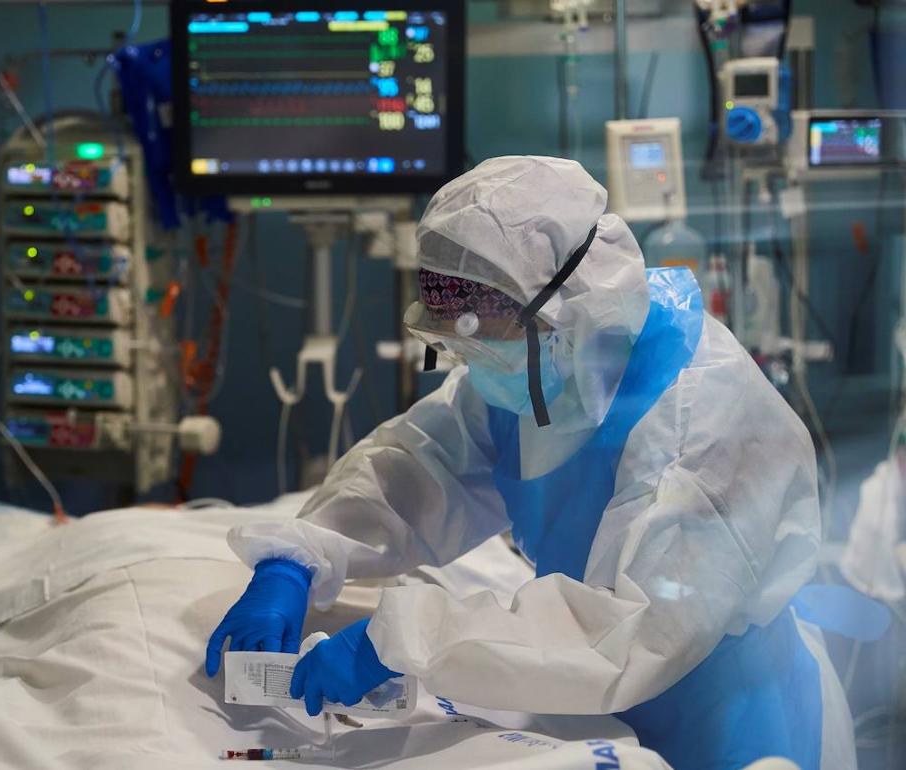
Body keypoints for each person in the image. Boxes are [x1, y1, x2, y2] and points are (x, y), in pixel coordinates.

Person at [204, 157, 855, 770]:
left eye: (484, 337)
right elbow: (423, 465)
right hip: (595, 706)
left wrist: (406, 636)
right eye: (456, 340)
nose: (474, 365)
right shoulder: (547, 365)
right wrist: (298, 559)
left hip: (727, 723)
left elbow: (627, 632)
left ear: (569, 309)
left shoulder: (705, 419)